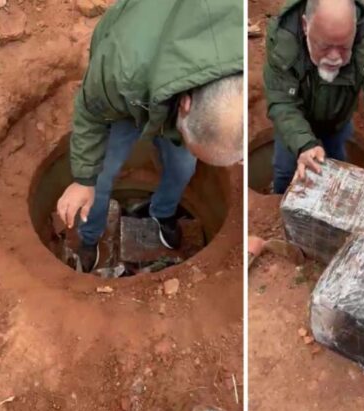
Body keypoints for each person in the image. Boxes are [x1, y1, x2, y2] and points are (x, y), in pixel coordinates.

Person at [56, 0, 244, 272]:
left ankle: (162, 214)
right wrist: (83, 179)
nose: (184, 143)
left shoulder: (237, 57)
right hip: (129, 93)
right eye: (185, 136)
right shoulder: (120, 71)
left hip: (169, 82)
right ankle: (90, 238)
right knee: (100, 176)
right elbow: (89, 111)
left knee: (183, 166)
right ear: (186, 105)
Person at [263, 0, 364, 201]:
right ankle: (278, 200)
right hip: (293, 123)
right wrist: (304, 145)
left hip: (337, 123)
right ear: (305, 26)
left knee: (336, 169)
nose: (334, 58)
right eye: (324, 46)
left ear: (355, 28)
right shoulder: (283, 38)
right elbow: (282, 102)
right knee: (285, 171)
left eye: (343, 47)